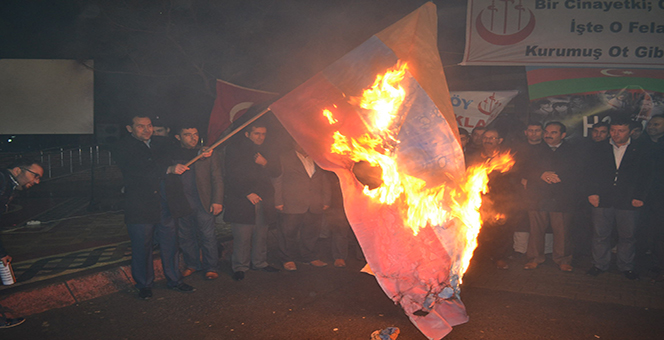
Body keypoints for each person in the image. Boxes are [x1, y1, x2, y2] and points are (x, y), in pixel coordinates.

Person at [113, 115, 195, 299]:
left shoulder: (160, 143)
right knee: (142, 246)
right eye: (140, 126)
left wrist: (200, 152)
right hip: (140, 205)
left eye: (149, 125)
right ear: (129, 128)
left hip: (165, 203)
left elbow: (181, 151)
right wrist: (167, 169)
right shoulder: (123, 146)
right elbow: (137, 170)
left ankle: (175, 280)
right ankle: (144, 284)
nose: (146, 129)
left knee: (170, 244)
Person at [585, 118, 652, 280]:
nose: (616, 134)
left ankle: (626, 266)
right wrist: (592, 192)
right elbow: (589, 172)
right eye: (613, 130)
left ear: (630, 132)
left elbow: (647, 175)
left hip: (629, 200)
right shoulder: (599, 148)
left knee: (627, 236)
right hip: (602, 198)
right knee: (600, 234)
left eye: (621, 130)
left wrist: (639, 197)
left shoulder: (641, 149)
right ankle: (599, 264)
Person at [224, 123, 281, 281]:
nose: (260, 137)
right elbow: (231, 176)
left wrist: (265, 163)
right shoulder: (235, 150)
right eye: (256, 133)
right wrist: (246, 192)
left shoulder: (267, 149)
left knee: (261, 234)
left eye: (263, 133)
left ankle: (260, 262)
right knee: (242, 235)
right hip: (242, 200)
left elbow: (277, 171)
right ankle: (240, 266)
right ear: (247, 134)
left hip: (264, 199)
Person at [523, 122, 578, 272]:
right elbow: (523, 167)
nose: (548, 135)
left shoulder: (572, 150)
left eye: (553, 133)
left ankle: (563, 259)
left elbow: (580, 171)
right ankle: (534, 258)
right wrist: (541, 174)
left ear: (563, 135)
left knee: (562, 231)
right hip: (538, 195)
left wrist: (561, 177)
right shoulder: (534, 149)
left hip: (562, 197)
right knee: (536, 230)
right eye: (546, 132)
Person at [172, 126, 223, 280]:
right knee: (185, 236)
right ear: (178, 137)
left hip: (203, 202)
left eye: (195, 134)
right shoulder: (174, 154)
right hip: (182, 202)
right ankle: (192, 264)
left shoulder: (207, 153)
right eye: (187, 135)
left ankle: (211, 267)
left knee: (208, 236)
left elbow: (217, 178)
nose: (193, 138)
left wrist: (217, 201)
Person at [273, 140, 331, 271]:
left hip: (314, 202)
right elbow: (278, 180)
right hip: (292, 202)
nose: (304, 146)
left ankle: (310, 256)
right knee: (288, 233)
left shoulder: (317, 158)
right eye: (300, 142)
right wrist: (278, 200)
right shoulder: (284, 158)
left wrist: (327, 199)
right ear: (294, 143)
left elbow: (324, 179)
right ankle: (287, 258)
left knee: (312, 232)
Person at [0, 159, 43, 328]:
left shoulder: (7, 184)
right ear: (17, 170)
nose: (36, 181)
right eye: (35, 176)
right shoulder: (2, 181)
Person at [466, 129, 517, 269]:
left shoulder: (506, 157)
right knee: (479, 228)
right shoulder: (473, 156)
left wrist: (506, 201)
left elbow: (513, 180)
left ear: (499, 140)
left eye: (492, 138)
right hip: (478, 197)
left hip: (501, 198)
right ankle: (477, 257)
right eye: (486, 137)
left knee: (501, 228)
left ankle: (499, 257)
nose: (488, 140)